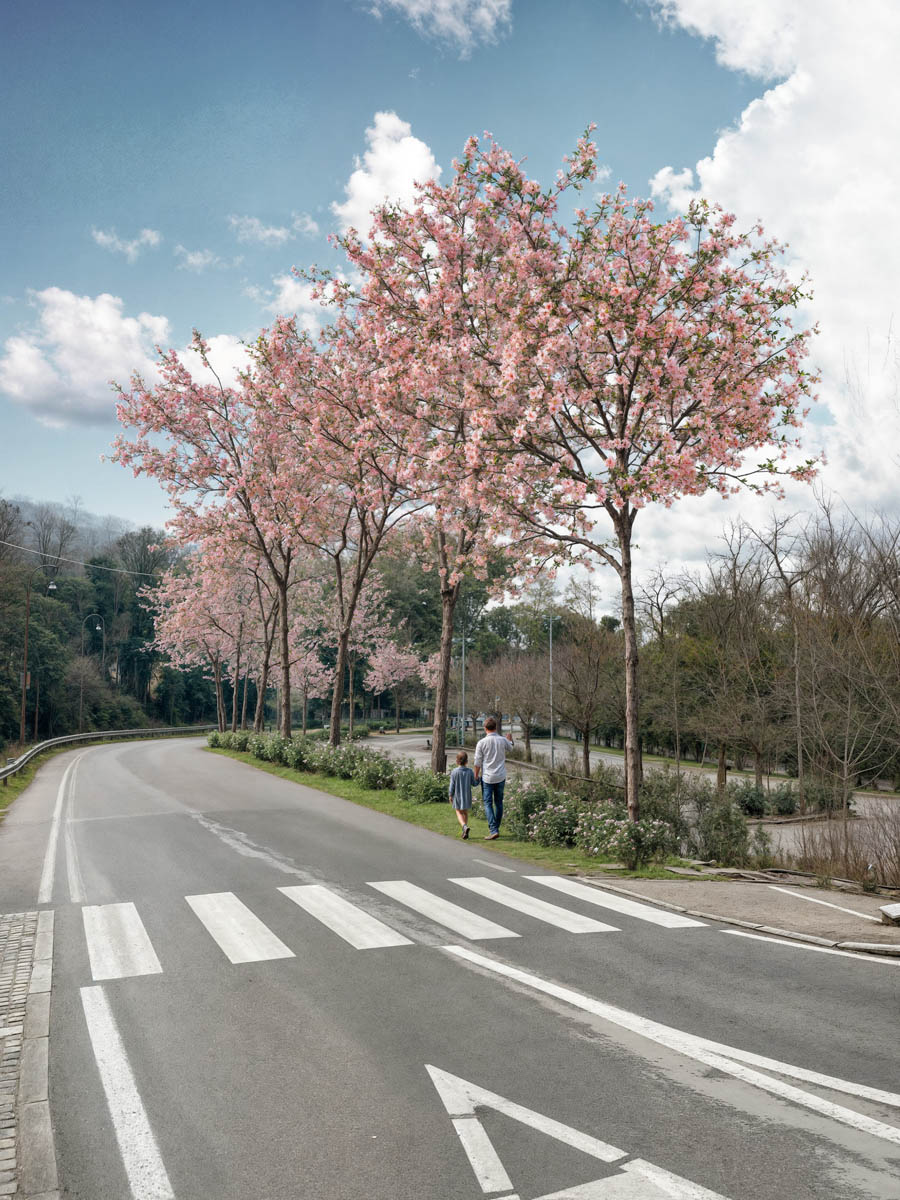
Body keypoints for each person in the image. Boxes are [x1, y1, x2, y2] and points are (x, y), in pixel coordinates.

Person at [473, 716, 513, 839]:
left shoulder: (481, 743)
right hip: (500, 776)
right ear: (495, 727)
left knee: (487, 803)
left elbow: (478, 762)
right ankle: (496, 827)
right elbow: (511, 748)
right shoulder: (502, 740)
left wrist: (475, 775)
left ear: (485, 728)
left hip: (487, 777)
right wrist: (510, 740)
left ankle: (493, 829)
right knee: (499, 803)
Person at [448, 750, 475, 839]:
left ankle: (464, 826)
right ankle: (465, 832)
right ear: (466, 761)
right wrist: (479, 779)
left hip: (458, 796)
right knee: (465, 813)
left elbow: (452, 785)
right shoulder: (470, 771)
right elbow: (474, 783)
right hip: (467, 796)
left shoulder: (454, 772)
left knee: (458, 812)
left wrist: (450, 795)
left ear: (457, 761)